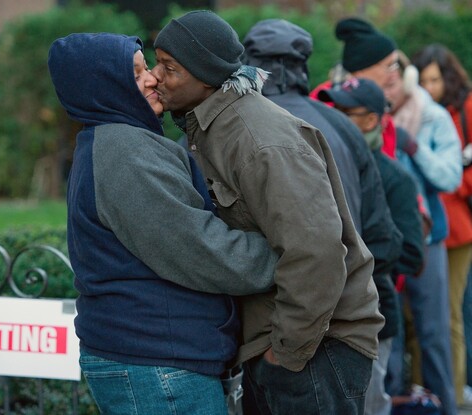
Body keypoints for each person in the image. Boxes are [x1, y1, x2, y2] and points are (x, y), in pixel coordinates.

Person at [152, 10, 384, 414]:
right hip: (284, 346)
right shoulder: (214, 127)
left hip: (314, 351)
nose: (156, 76)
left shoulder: (259, 140)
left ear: (205, 74)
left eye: (169, 67)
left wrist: (286, 352)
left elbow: (317, 251)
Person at [48, 32, 282, 414]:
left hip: (154, 359)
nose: (153, 78)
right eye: (136, 73)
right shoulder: (125, 152)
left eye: (148, 68)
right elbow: (197, 249)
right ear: (104, 86)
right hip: (157, 364)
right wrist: (285, 254)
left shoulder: (114, 141)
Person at [241, 21, 404, 414]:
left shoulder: (227, 127)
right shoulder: (345, 128)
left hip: (264, 335)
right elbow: (384, 240)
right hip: (340, 333)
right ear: (303, 63)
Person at [319, 77, 425, 415]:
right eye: (334, 110)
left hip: (374, 317)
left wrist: (351, 256)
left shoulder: (395, 178)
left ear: (371, 120)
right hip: (327, 317)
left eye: (347, 112)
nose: (335, 118)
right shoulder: (324, 164)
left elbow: (410, 253)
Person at [383, 49, 462, 415]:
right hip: (387, 242)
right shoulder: (370, 115)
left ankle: (446, 405)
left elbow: (450, 176)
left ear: (406, 79)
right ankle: (396, 405)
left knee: (434, 333)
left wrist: (414, 148)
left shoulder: (433, 116)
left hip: (428, 240)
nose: (388, 88)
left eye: (393, 80)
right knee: (391, 333)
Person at [412, 43, 472, 409]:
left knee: (447, 316)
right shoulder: (413, 110)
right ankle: (421, 393)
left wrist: (453, 183)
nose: (429, 87)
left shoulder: (464, 109)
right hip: (424, 227)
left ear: (448, 78)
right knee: (420, 315)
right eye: (423, 80)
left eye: (434, 80)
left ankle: (451, 392)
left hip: (458, 228)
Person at [311, 16, 399, 159]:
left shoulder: (382, 109)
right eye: (389, 66)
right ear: (361, 69)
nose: (394, 75)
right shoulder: (322, 100)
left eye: (396, 66)